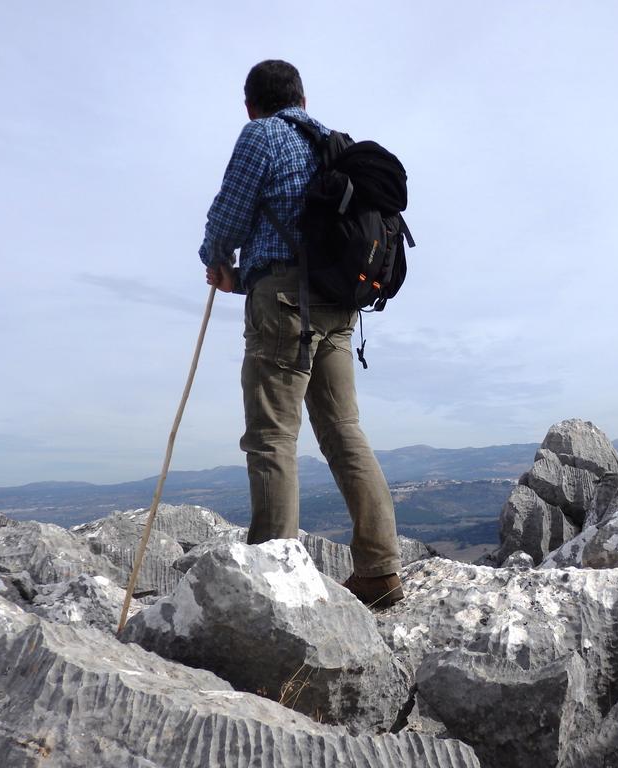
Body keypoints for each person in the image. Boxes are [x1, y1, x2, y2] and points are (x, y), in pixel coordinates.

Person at [198, 60, 404, 608]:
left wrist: (215, 260)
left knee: (271, 439)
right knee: (344, 432)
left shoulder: (261, 134)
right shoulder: (331, 145)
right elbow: (303, 239)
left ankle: (273, 586)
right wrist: (243, 276)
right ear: (303, 99)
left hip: (284, 306)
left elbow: (230, 220)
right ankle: (381, 570)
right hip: (337, 306)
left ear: (251, 105)